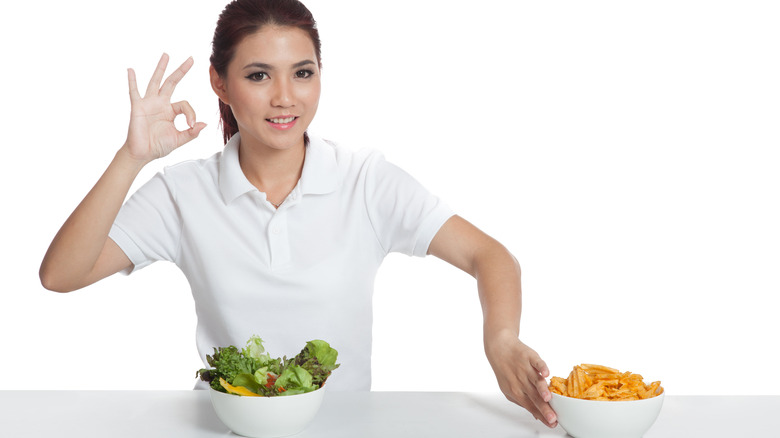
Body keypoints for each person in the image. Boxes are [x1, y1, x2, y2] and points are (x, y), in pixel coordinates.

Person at [38, 0, 557, 428]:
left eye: (302, 73)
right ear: (220, 83)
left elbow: (490, 255)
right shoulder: (182, 192)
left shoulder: (365, 181)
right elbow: (61, 274)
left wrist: (501, 340)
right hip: (223, 424)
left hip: (342, 425)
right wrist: (132, 157)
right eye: (258, 75)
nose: (285, 98)